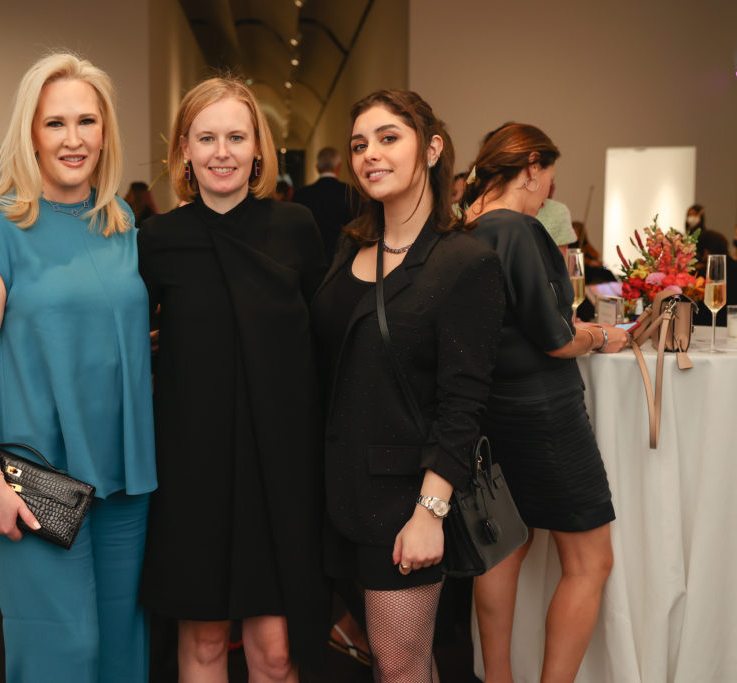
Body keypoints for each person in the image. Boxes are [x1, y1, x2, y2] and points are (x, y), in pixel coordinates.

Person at [0, 52, 156, 683]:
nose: (74, 139)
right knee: (61, 655)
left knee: (123, 650)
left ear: (105, 131)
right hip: (35, 479)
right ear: (30, 133)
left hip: (124, 477)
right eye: (55, 123)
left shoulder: (119, 221)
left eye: (87, 122)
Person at [138, 76, 331, 681]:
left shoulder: (296, 226)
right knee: (202, 643)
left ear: (258, 150)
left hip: (280, 469)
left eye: (236, 137)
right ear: (185, 152)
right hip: (192, 470)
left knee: (276, 651)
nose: (222, 151)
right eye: (207, 138)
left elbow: (328, 345)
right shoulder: (157, 239)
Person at [310, 89, 504, 682]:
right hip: (333, 496)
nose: (371, 153)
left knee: (399, 668)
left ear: (432, 148)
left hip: (404, 505)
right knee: (386, 663)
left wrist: (430, 512)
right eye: (360, 144)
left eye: (389, 137)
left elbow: (464, 403)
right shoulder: (350, 247)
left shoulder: (463, 261)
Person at [461, 122, 627, 683]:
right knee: (589, 562)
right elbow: (557, 340)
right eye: (550, 174)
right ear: (531, 164)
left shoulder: (466, 225)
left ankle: (498, 677)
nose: (551, 188)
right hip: (543, 411)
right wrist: (604, 336)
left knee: (505, 546)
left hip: (489, 409)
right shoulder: (515, 228)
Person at [294, 146, 358, 260]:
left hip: (310, 261)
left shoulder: (301, 195)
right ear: (339, 167)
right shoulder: (351, 193)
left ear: (317, 167)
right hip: (343, 260)